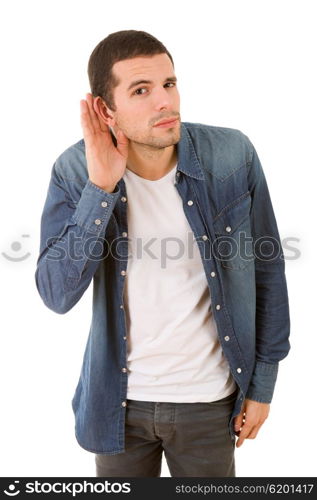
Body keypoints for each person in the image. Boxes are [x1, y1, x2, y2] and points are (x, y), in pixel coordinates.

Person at [35, 30, 291, 477]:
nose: (164, 102)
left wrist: (262, 387)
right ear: (104, 108)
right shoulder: (75, 171)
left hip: (211, 404)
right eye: (141, 90)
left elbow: (268, 271)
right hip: (117, 406)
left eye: (169, 84)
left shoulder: (232, 155)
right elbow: (56, 294)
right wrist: (101, 189)